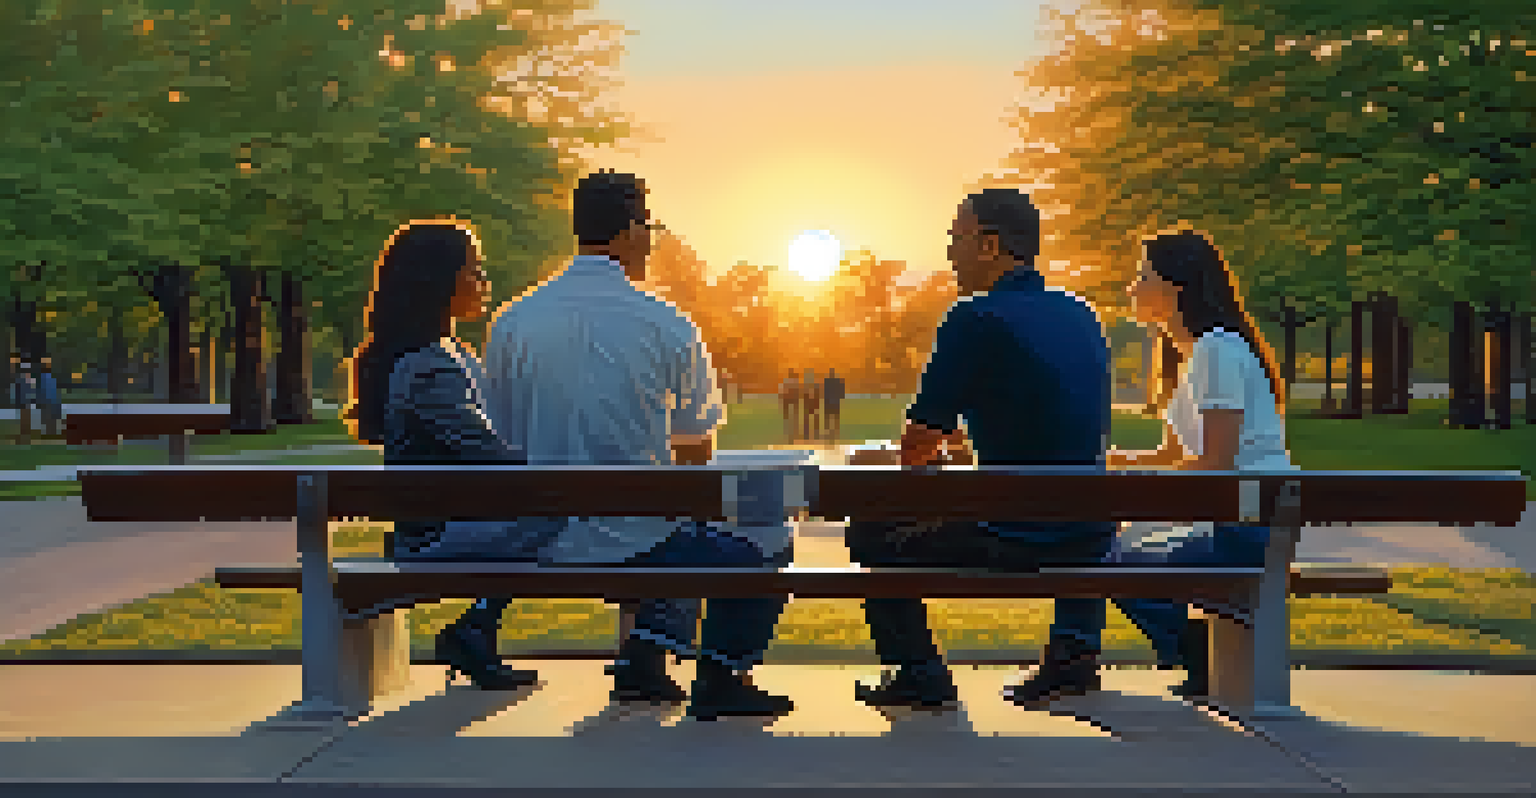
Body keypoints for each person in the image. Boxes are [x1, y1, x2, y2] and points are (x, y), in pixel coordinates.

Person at [433, 170, 794, 721]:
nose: (650, 238)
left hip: (535, 537)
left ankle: (644, 662)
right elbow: (696, 451)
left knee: (677, 527)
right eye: (647, 226)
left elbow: (502, 436)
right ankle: (709, 674)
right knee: (765, 540)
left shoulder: (512, 322)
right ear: (629, 231)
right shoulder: (666, 322)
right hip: (633, 538)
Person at [844, 188, 1115, 710]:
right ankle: (1074, 653)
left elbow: (919, 444)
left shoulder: (972, 317)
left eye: (956, 238)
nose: (951, 252)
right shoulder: (1081, 313)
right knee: (1059, 506)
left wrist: (885, 458)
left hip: (1019, 535)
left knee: (873, 530)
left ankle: (917, 671)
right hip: (1088, 533)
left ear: (989, 245)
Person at [1087, 229, 1294, 701]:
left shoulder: (1218, 350)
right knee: (1114, 550)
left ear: (1174, 287)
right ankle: (1194, 657)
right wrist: (1111, 463)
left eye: (1143, 277)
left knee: (1111, 560)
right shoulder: (1195, 356)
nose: (1132, 289)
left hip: (1247, 529)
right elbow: (1172, 458)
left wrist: (1136, 491)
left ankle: (1194, 657)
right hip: (1234, 520)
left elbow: (1217, 463)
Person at [343, 219, 542, 692]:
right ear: (440, 281)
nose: (484, 283)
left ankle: (476, 629)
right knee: (559, 511)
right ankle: (475, 629)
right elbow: (487, 452)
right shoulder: (431, 366)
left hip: (439, 522)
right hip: (435, 537)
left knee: (555, 507)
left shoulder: (443, 352)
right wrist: (559, 465)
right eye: (474, 271)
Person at [37, 359, 62, 436]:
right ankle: (51, 432)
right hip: (49, 402)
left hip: (49, 402)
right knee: (50, 418)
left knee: (50, 418)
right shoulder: (48, 378)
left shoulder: (47, 378)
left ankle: (51, 432)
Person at [822, 368, 845, 442]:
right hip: (833, 401)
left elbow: (825, 392)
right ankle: (834, 432)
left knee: (830, 418)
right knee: (833, 418)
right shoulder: (836, 381)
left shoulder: (828, 381)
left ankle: (830, 432)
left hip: (830, 401)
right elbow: (841, 390)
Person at [781, 369, 801, 441]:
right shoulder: (794, 382)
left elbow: (784, 390)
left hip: (790, 399)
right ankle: (792, 430)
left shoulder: (788, 381)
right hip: (791, 399)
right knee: (792, 416)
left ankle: (790, 430)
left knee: (791, 416)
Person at [802, 368, 820, 441]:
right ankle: (808, 434)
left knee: (813, 419)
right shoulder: (806, 386)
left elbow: (817, 394)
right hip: (809, 404)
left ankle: (813, 433)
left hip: (812, 404)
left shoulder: (813, 385)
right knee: (808, 419)